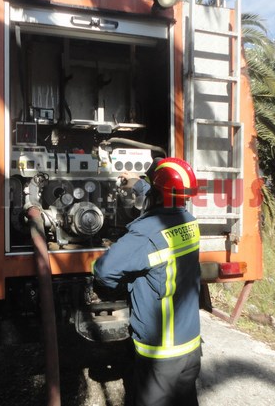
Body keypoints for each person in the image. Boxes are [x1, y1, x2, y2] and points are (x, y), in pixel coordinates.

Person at [93, 157, 201, 406]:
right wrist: (136, 182)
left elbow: (104, 270)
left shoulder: (146, 235)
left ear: (156, 193)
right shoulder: (190, 223)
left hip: (161, 353)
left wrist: (116, 290)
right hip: (189, 346)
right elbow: (160, 198)